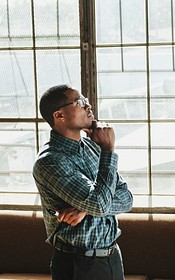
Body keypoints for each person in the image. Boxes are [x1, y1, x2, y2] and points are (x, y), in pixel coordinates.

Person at [33, 84, 133, 280]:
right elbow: (99, 204)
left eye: (86, 100)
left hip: (111, 257)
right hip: (77, 264)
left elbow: (127, 198)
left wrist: (85, 209)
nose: (88, 106)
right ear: (59, 115)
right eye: (79, 102)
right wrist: (109, 150)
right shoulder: (51, 161)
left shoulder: (91, 147)